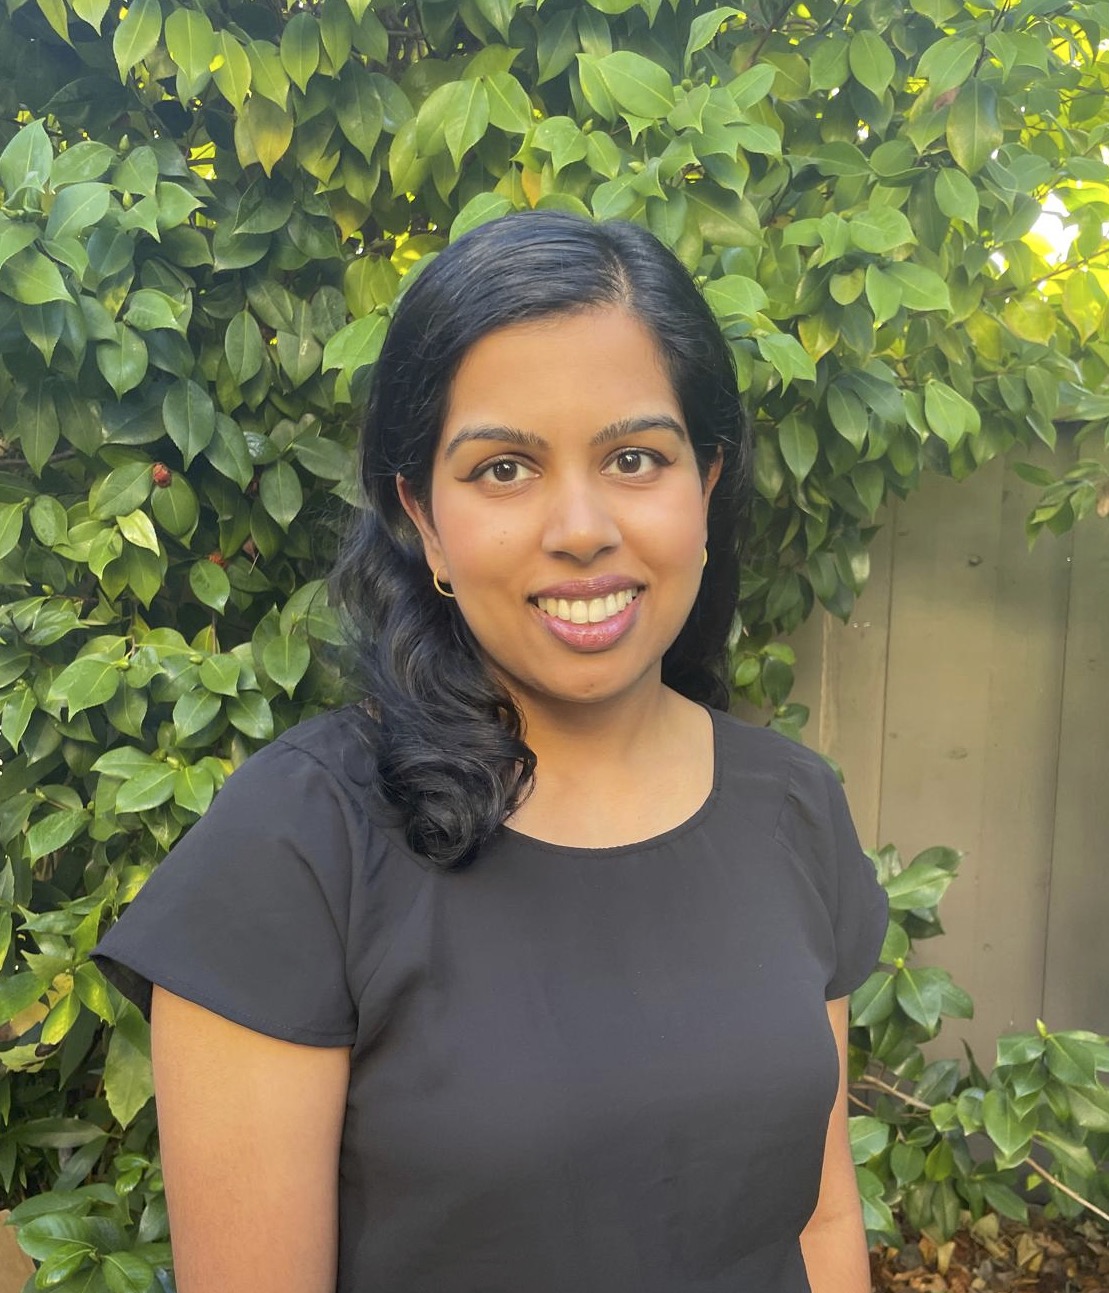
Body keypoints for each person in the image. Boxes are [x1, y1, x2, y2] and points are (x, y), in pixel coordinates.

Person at [92, 209, 889, 1293]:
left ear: (704, 484)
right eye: (504, 469)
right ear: (422, 519)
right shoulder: (298, 848)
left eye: (634, 457)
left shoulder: (793, 807)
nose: (578, 526)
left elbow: (818, 1221)